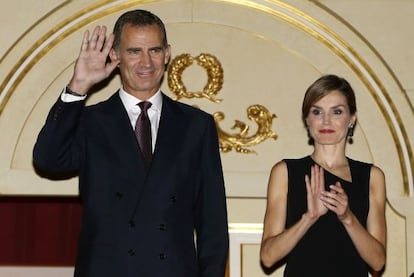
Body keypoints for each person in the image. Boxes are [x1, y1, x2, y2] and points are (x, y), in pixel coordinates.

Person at [33, 9, 228, 277]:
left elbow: (213, 222)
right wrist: (78, 86)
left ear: (167, 53)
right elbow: (47, 159)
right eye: (134, 51)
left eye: (155, 50)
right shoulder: (91, 122)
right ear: (115, 55)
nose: (146, 62)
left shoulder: (197, 125)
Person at [260, 74, 386, 276]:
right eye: (317, 112)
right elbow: (267, 256)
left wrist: (347, 218)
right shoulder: (285, 172)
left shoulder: (371, 176)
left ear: (352, 119)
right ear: (307, 120)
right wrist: (308, 218)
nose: (326, 120)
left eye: (337, 112)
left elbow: (378, 261)